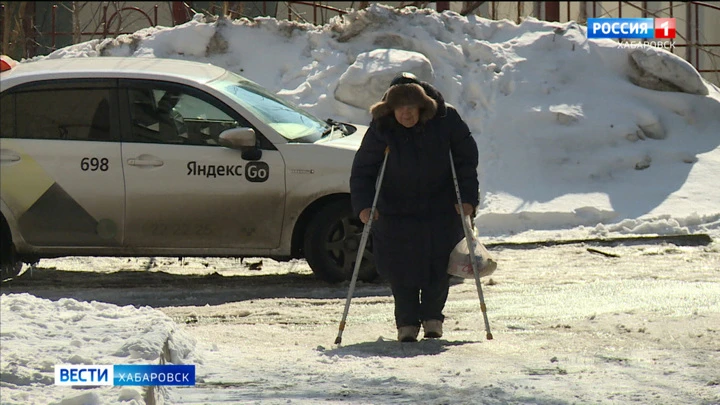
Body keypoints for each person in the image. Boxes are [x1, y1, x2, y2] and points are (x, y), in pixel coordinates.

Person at [350, 72, 479, 342]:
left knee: (439, 265)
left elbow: (466, 160)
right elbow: (364, 168)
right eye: (400, 109)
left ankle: (433, 319)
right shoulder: (382, 125)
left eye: (411, 108)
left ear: (422, 106)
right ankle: (406, 324)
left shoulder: (446, 120)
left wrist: (466, 198)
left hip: (441, 207)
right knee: (401, 268)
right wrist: (363, 205)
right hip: (395, 209)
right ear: (390, 109)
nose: (406, 115)